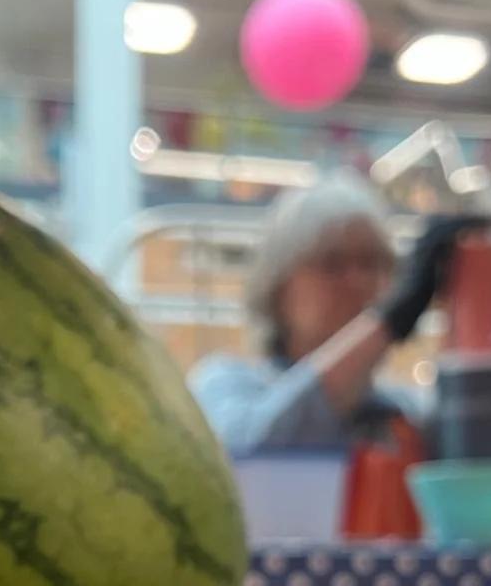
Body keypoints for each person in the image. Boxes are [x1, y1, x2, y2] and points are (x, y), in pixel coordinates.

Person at [189, 173, 447, 456]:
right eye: (332, 263)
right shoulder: (225, 383)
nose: (359, 282)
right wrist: (387, 322)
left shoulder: (406, 411)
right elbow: (251, 454)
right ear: (277, 287)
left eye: (373, 263)